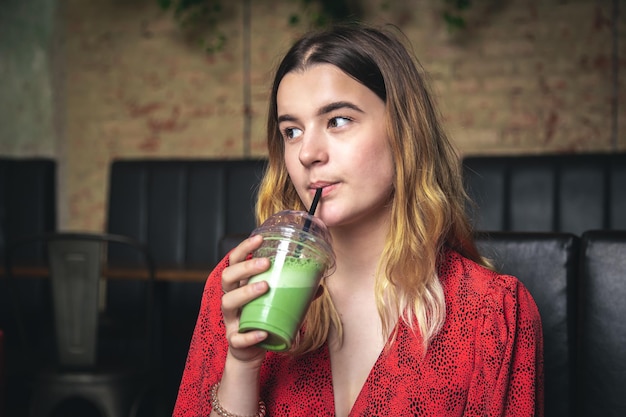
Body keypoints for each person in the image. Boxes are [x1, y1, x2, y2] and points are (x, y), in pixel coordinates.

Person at [173, 23, 543, 417]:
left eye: (337, 121)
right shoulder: (240, 291)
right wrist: (243, 366)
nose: (307, 154)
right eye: (292, 131)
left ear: (405, 131)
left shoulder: (491, 313)